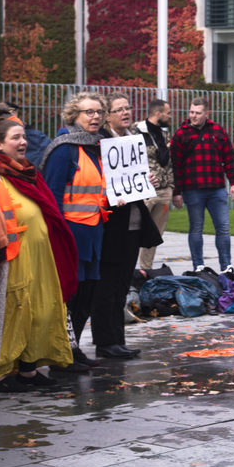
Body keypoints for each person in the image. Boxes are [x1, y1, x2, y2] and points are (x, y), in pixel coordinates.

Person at [0, 112, 77, 393]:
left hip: (40, 256)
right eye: (16, 138)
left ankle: (29, 369)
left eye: (24, 136)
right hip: (14, 257)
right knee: (12, 315)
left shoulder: (26, 170)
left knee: (42, 311)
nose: (23, 142)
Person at [90, 93, 162, 359]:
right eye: (118, 109)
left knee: (122, 284)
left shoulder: (133, 140)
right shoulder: (102, 142)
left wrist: (147, 180)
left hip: (132, 222)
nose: (125, 112)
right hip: (112, 223)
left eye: (128, 107)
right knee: (107, 286)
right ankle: (105, 342)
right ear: (107, 116)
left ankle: (117, 339)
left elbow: (135, 179)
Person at [41, 92, 109, 372]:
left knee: (85, 297)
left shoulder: (98, 147)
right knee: (68, 297)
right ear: (74, 116)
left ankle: (74, 347)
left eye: (99, 112)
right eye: (88, 112)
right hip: (71, 235)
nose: (95, 117)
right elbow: (52, 195)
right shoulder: (63, 148)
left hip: (94, 234)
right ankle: (61, 353)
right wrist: (57, 237)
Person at [170, 97, 234, 272]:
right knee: (196, 228)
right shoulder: (181, 134)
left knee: (223, 228)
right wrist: (176, 192)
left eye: (197, 113)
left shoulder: (217, 131)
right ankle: (198, 266)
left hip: (216, 188)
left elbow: (229, 158)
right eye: (191, 112)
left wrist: (233, 183)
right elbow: (174, 165)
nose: (193, 116)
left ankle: (226, 266)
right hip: (192, 189)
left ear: (206, 114)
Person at [136, 98, 176, 270]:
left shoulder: (164, 135)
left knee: (155, 236)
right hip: (145, 191)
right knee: (135, 232)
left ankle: (146, 270)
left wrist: (172, 188)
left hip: (164, 192)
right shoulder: (136, 132)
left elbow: (169, 163)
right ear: (158, 113)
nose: (170, 116)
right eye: (168, 113)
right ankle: (129, 271)